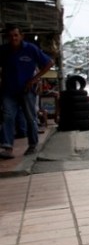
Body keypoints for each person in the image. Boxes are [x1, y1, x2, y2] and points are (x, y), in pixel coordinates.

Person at [0, 24, 54, 158]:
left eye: (16, 35)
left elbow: (49, 63)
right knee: (7, 116)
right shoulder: (3, 50)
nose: (14, 38)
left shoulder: (30, 49)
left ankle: (33, 144)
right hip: (8, 90)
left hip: (27, 90)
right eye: (11, 36)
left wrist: (34, 79)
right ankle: (7, 147)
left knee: (30, 117)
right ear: (7, 38)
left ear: (21, 36)